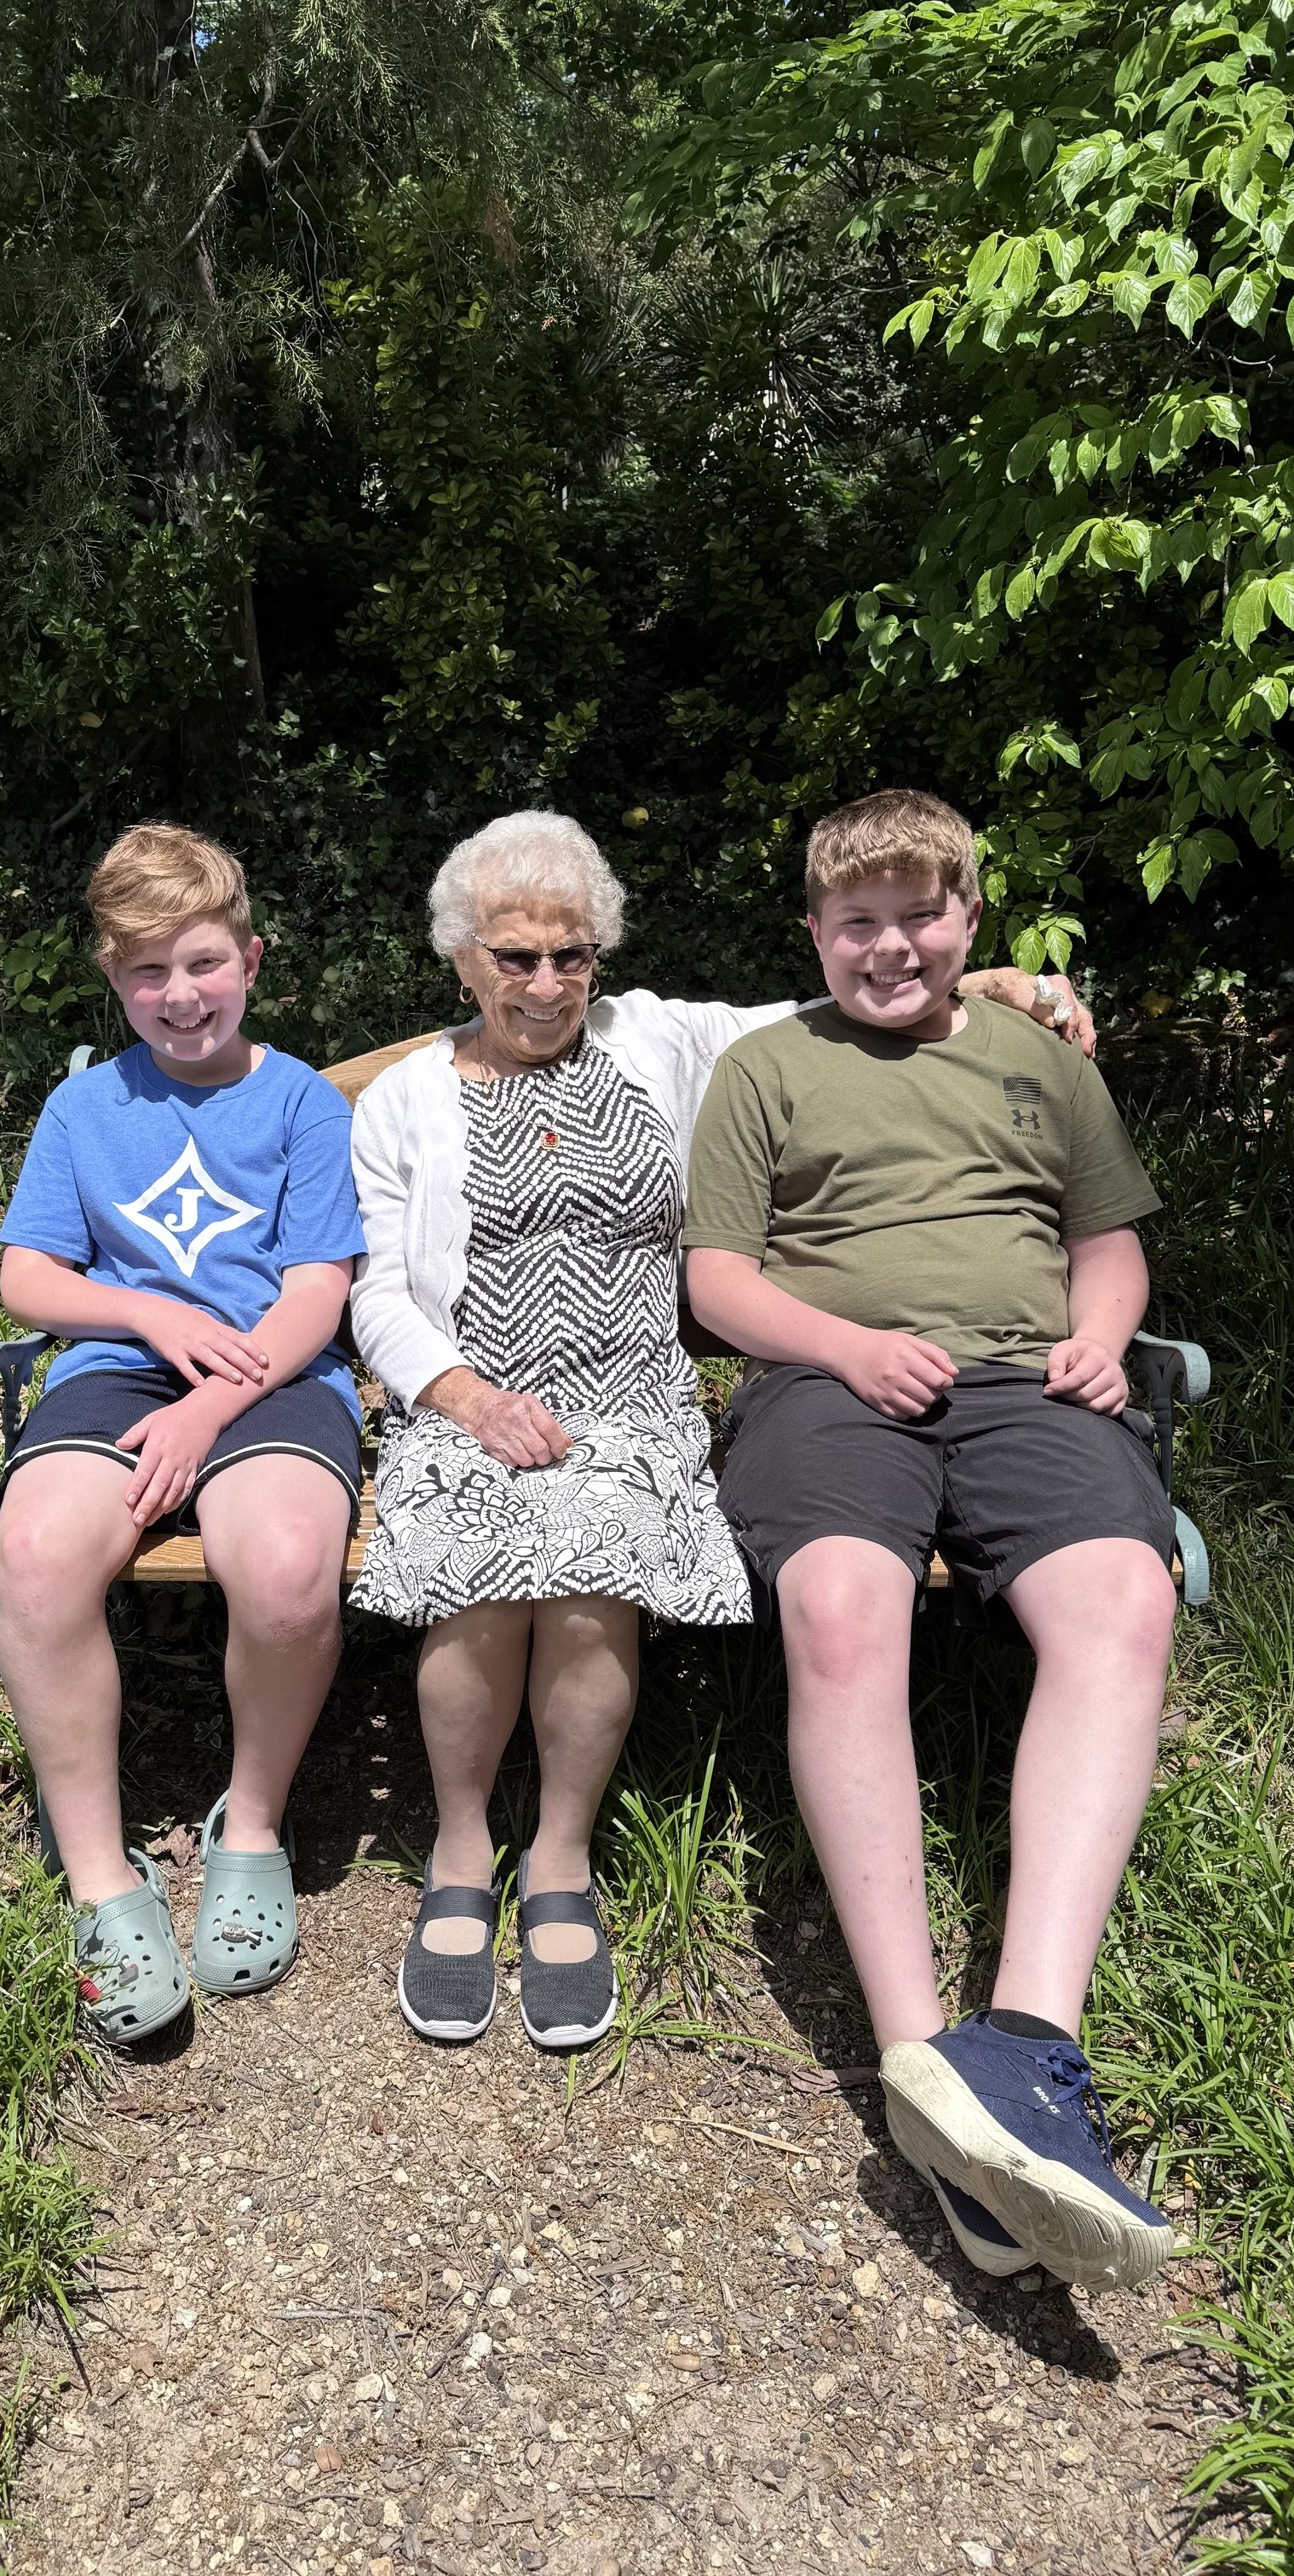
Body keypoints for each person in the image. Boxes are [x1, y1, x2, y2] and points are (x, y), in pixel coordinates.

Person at [348, 808, 1093, 2056]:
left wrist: (1011, 979)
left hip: (635, 1396)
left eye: (570, 955)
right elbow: (376, 1288)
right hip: (466, 1398)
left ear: (601, 956)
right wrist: (467, 1398)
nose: (545, 983)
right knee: (480, 1581)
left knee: (590, 1575)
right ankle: (464, 1845)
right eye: (513, 957)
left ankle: (565, 1862)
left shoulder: (658, 1040)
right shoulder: (408, 1098)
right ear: (460, 959)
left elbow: (815, 1009)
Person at [683, 788, 1180, 2292]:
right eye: (856, 924)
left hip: (1033, 1386)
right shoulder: (769, 1067)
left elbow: (1109, 1244)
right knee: (842, 1607)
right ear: (816, 936)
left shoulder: (1042, 1061)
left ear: (971, 919)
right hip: (830, 1391)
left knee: (1121, 1606)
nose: (889, 947)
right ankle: (919, 2059)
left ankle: (1026, 2048)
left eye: (918, 917)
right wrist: (843, 1344)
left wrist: (1104, 1338)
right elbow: (717, 1279)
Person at [0, 825, 367, 2044]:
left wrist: (215, 1404)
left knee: (290, 1568)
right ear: (115, 979)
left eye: (203, 963)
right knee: (38, 1553)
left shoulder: (302, 1104)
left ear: (252, 960)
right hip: (118, 1371)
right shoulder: (86, 1107)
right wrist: (146, 1312)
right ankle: (104, 1879)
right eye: (148, 972)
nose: (180, 995)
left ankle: (248, 1823)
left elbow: (318, 1291)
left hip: (275, 1374)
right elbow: (28, 1277)